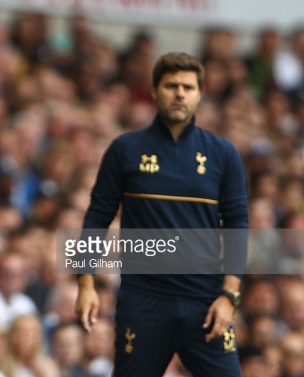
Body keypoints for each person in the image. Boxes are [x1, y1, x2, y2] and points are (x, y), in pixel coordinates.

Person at [75, 52, 248, 377]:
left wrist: (229, 295)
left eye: (187, 87)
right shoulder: (125, 150)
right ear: (155, 91)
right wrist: (85, 283)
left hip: (206, 301)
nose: (179, 93)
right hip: (142, 301)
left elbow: (237, 224)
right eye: (171, 85)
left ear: (200, 92)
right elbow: (97, 216)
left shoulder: (223, 154)